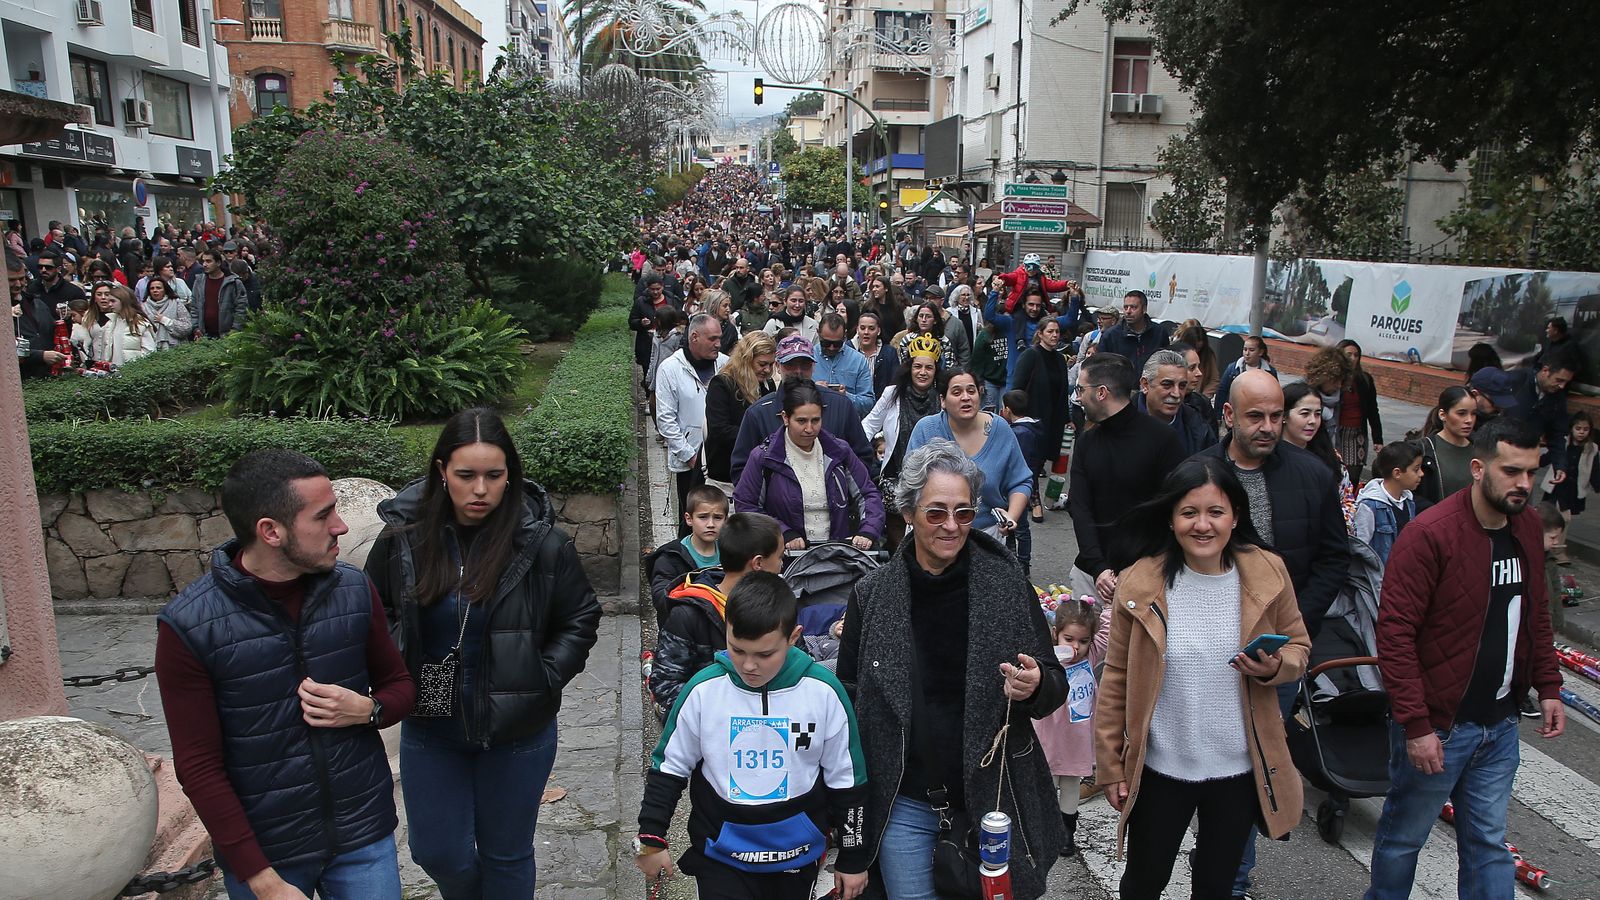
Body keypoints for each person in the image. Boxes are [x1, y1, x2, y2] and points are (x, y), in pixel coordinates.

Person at [155, 449, 416, 899]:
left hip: (362, 835)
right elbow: (198, 767)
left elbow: (401, 688)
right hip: (267, 855)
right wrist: (262, 879)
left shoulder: (354, 589)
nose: (341, 526)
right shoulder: (189, 626)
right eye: (323, 515)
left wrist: (370, 709)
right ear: (271, 531)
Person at [366, 408, 602, 899]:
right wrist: (400, 666)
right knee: (437, 852)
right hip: (432, 720)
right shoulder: (404, 540)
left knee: (506, 853)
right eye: (466, 475)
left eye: (494, 476)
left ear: (509, 475)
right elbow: (375, 609)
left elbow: (580, 617)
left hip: (518, 728)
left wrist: (540, 676)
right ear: (441, 472)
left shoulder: (541, 543)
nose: (480, 490)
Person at [837, 440, 1068, 900]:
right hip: (904, 802)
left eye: (963, 513)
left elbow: (1053, 683)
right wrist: (847, 821)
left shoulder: (1005, 583)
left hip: (996, 798)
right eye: (936, 512)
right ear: (908, 512)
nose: (951, 525)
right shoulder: (872, 594)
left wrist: (1036, 684)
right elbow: (848, 701)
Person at [1366, 417, 1566, 900]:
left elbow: (1536, 612)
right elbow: (1395, 634)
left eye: (1531, 472)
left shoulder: (1528, 526)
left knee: (1488, 845)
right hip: (1439, 727)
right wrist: (1417, 726)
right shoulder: (1430, 534)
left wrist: (1549, 685)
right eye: (1511, 471)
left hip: (1499, 725)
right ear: (1478, 468)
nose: (1524, 484)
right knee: (1404, 839)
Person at [1096, 457, 1310, 900]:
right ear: (1170, 519)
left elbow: (1299, 646)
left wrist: (1275, 667)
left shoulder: (1268, 572)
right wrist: (1111, 765)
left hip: (1238, 769)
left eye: (1216, 512)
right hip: (1161, 767)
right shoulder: (1139, 582)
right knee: (1142, 884)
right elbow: (1116, 677)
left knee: (1216, 886)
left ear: (1235, 516)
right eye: (1189, 512)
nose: (1202, 525)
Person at [637, 572, 871, 900]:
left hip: (796, 856)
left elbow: (848, 780)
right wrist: (651, 837)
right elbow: (669, 767)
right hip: (720, 854)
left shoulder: (824, 692)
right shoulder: (703, 691)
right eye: (737, 649)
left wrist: (854, 857)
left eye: (764, 654)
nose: (749, 665)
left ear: (794, 637)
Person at [1206, 370, 1351, 896]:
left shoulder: (1312, 475)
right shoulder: (1198, 473)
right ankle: (1208, 857)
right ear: (1229, 416)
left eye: (1275, 416)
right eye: (1255, 417)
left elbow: (1333, 559)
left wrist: (1291, 628)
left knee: (1252, 766)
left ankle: (1232, 880)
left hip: (1276, 657)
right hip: (1204, 651)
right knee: (1198, 764)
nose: (1268, 427)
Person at [1068, 353, 1186, 600]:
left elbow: (1172, 510)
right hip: (1090, 575)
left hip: (1147, 577)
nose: (1078, 397)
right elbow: (1080, 508)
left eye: (1080, 389)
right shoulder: (1086, 441)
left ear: (1101, 392)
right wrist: (1098, 568)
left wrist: (1140, 571)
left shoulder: (1164, 440)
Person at [648, 511, 785, 714]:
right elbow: (665, 684)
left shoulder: (779, 603)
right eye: (780, 556)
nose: (782, 564)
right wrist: (722, 712)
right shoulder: (688, 614)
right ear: (758, 563)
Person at [734, 381, 884, 551]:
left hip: (837, 554)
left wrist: (868, 530)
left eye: (815, 420)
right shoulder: (763, 457)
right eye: (801, 421)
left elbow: (868, 494)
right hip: (786, 556)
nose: (809, 429)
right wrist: (783, 533)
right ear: (785, 418)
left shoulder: (840, 451)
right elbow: (746, 505)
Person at [729, 334, 876, 484]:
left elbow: (862, 456)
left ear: (813, 366)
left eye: (805, 365)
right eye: (791, 364)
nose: (798, 371)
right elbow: (741, 470)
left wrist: (841, 488)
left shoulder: (840, 406)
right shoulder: (759, 413)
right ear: (778, 366)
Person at [905, 368, 1033, 538]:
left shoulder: (1001, 429)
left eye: (971, 391)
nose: (966, 397)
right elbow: (908, 485)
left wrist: (1011, 517)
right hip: (932, 532)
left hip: (985, 533)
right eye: (956, 392)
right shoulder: (926, 429)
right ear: (943, 400)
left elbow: (1020, 481)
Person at [1038, 596, 1111, 858]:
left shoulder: (1090, 656)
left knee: (1071, 782)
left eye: (1083, 641)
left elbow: (1109, 627)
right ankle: (1045, 830)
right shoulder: (1046, 657)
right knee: (1047, 782)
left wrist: (1110, 600)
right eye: (1068, 639)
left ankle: (1067, 831)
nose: (1076, 647)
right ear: (1055, 634)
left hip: (1077, 737)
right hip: (1049, 734)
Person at [862, 337, 943, 553]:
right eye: (918, 366)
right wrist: (852, 449)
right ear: (909, 368)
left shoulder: (943, 398)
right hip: (896, 479)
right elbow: (869, 425)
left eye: (928, 368)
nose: (922, 372)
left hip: (934, 478)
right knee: (899, 544)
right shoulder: (892, 394)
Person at [656, 314, 729, 537]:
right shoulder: (670, 369)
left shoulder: (726, 364)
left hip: (723, 462)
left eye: (720, 338)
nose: (718, 344)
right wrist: (690, 456)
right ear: (694, 337)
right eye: (712, 339)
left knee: (722, 522)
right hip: (690, 464)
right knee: (692, 524)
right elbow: (665, 419)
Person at [1011, 317, 1072, 518]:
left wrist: (1067, 418)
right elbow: (1017, 387)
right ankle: (1034, 500)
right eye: (1050, 331)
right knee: (1032, 462)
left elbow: (1063, 391)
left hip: (1053, 419)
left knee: (1044, 460)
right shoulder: (1031, 355)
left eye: (1057, 332)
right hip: (1032, 417)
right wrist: (1016, 414)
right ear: (1040, 333)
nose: (1054, 335)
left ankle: (1034, 495)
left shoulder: (1059, 359)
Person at [704, 331, 775, 496]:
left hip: (758, 474)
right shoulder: (722, 384)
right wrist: (760, 438)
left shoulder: (768, 385)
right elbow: (719, 429)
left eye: (771, 365)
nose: (767, 370)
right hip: (726, 475)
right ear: (746, 360)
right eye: (762, 364)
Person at [644, 485, 728, 619]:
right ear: (689, 519)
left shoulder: (731, 553)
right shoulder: (670, 557)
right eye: (703, 517)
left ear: (726, 520)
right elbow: (661, 598)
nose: (711, 524)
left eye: (717, 518)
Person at [1504, 348, 1580, 491]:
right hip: (1499, 455)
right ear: (1545, 370)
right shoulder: (1515, 380)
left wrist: (1560, 465)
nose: (1562, 386)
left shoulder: (1558, 399)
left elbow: (1557, 434)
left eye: (1566, 382)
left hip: (1526, 461)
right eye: (1559, 380)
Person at [1137, 349, 1217, 457]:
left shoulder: (1199, 427)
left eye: (1182, 386)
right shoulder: (1121, 423)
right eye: (1167, 384)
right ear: (1145, 385)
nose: (1176, 394)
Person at [1355, 441, 1423, 565]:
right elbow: (1360, 546)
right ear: (1397, 473)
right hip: (1380, 573)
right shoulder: (1370, 506)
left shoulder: (1408, 501)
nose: (1421, 474)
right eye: (1416, 469)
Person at [1415, 385, 1477, 508]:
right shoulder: (1424, 450)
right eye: (1461, 413)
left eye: (1474, 413)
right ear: (1442, 415)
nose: (1469, 420)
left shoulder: (1481, 450)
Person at [1336, 340, 1385, 484]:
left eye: (1356, 355)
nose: (1353, 358)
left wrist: (1378, 439)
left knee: (1353, 476)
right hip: (1337, 432)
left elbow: (1372, 410)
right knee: (1336, 474)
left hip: (1358, 433)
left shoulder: (1364, 380)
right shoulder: (1333, 379)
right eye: (1349, 354)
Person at [1542, 411, 1600, 532]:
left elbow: (1594, 471)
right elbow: (1548, 457)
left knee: (1563, 520)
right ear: (1571, 428)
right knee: (1554, 516)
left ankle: (1554, 539)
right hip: (1556, 487)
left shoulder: (1592, 449)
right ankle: (1548, 538)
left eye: (1585, 429)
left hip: (1572, 489)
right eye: (1578, 428)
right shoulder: (1563, 443)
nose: (1581, 432)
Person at [1096, 290, 1172, 375]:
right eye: (1125, 307)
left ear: (1144, 309)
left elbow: (1167, 362)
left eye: (1133, 307)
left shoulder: (1159, 333)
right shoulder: (1110, 336)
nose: (1128, 311)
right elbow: (1100, 367)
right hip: (1121, 382)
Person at [813, 313, 876, 415]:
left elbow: (869, 403)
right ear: (818, 333)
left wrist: (846, 397)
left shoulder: (858, 360)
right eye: (826, 343)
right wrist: (812, 390)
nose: (831, 348)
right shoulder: (808, 358)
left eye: (837, 344)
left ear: (845, 336)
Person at [1213, 335, 1277, 426]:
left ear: (1260, 352)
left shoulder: (1269, 372)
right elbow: (1222, 391)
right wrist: (1217, 415)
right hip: (1235, 412)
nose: (1247, 353)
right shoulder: (1233, 369)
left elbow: (1275, 395)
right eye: (1245, 349)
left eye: (1251, 350)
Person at [189, 248, 248, 338]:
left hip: (227, 335)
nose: (204, 264)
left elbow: (241, 308)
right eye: (203, 261)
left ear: (218, 263)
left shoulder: (233, 282)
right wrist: (196, 327)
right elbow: (194, 306)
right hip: (204, 335)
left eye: (208, 261)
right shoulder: (199, 282)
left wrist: (235, 330)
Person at [102, 283, 157, 366]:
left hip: (133, 371)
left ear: (124, 301)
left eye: (113, 301)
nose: (109, 304)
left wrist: (134, 368)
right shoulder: (110, 323)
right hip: (114, 371)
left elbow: (150, 352)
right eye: (109, 301)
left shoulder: (140, 323)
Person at [851, 309, 898, 397]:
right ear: (857, 330)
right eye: (862, 328)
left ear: (878, 331)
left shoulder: (889, 353)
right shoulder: (848, 350)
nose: (866, 332)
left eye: (871, 328)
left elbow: (894, 383)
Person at [142, 274, 192, 350]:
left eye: (158, 288)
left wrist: (166, 321)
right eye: (152, 288)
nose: (155, 290)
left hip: (177, 349)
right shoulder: (143, 307)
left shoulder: (176, 303)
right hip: (152, 349)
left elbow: (187, 327)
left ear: (165, 289)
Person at [1174, 321, 1220, 400]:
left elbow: (1214, 380)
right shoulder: (1176, 352)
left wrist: (1203, 397)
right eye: (1192, 368)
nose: (1197, 351)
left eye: (1199, 348)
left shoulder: (1208, 355)